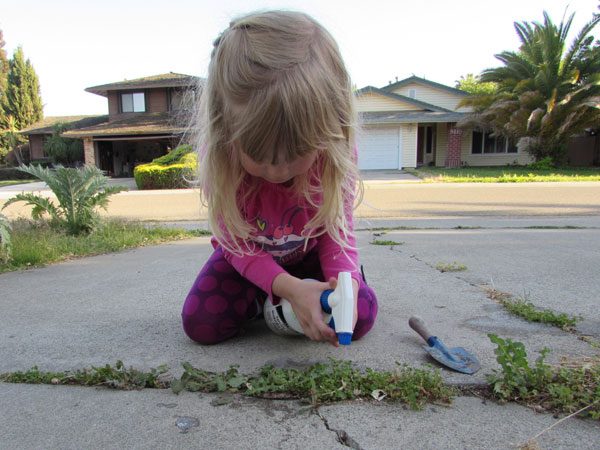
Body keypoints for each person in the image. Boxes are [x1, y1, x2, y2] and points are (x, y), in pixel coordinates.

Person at [182, 10, 378, 346]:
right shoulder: (221, 158)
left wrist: (342, 284)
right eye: (258, 157)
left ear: (330, 129)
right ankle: (273, 296)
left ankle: (296, 297)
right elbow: (236, 245)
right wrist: (285, 286)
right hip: (250, 258)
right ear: (225, 131)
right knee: (201, 324)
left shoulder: (333, 154)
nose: (278, 171)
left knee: (359, 315)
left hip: (312, 252)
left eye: (296, 154)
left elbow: (337, 230)